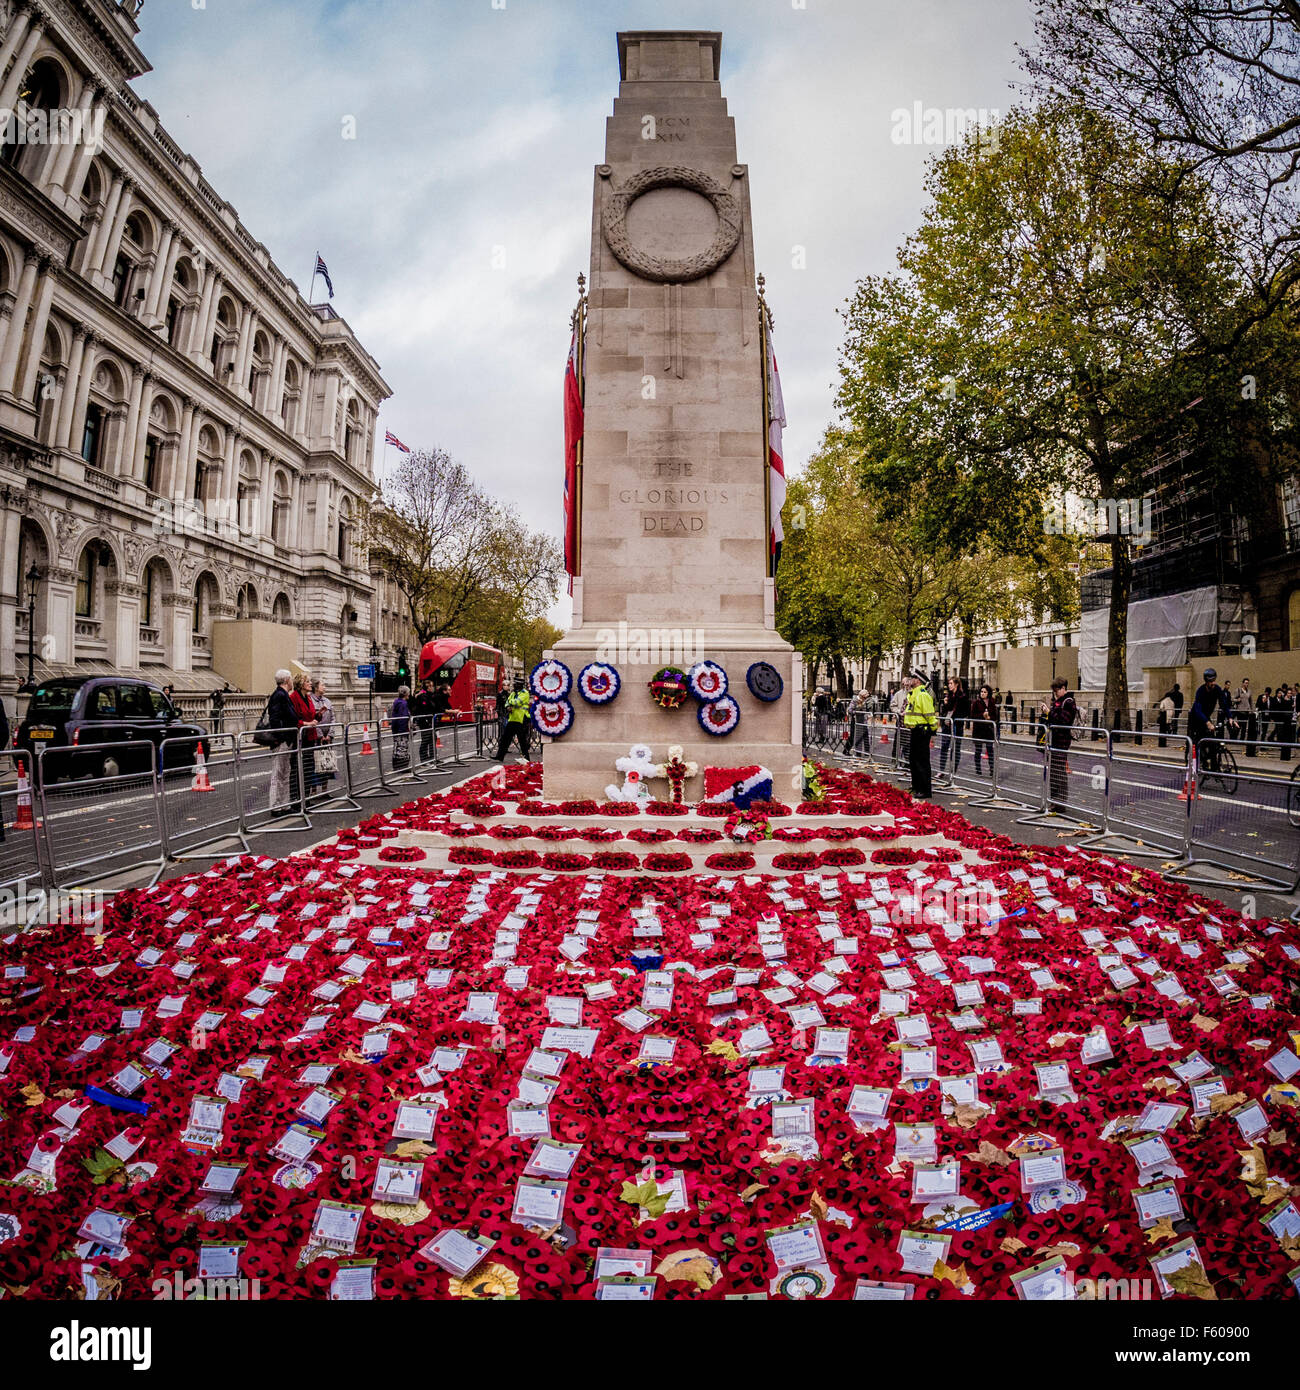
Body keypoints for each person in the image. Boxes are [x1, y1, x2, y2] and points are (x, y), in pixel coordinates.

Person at [1042, 677, 1078, 811]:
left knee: (1059, 772)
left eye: (1057, 690)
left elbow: (1063, 721)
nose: (1055, 693)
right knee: (1054, 771)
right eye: (1054, 691)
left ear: (1063, 688)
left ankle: (1060, 803)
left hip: (1061, 741)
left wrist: (1049, 713)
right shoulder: (1058, 702)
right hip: (1054, 740)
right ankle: (1054, 801)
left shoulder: (1069, 702)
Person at [265, 670, 298, 812]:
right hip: (282, 741)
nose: (292, 682)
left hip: (286, 739)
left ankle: (284, 804)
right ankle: (275, 806)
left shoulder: (283, 695)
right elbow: (274, 719)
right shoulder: (279, 695)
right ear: (286, 680)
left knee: (285, 772)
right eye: (290, 679)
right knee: (278, 774)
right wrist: (281, 737)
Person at [903, 669, 938, 799]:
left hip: (922, 730)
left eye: (912, 678)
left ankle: (924, 790)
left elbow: (929, 714)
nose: (909, 680)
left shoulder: (922, 695)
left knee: (921, 761)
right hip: (915, 730)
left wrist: (932, 729)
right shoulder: (913, 694)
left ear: (917, 680)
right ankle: (917, 786)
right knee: (913, 760)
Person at [1187, 667, 1230, 774]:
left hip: (1206, 717)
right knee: (1196, 742)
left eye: (1214, 680)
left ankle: (1214, 768)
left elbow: (1223, 704)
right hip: (1196, 719)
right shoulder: (1200, 691)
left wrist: (1230, 717)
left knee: (1213, 742)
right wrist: (1207, 723)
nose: (1213, 683)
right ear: (1206, 682)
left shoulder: (1217, 689)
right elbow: (1197, 709)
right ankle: (1196, 766)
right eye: (1211, 681)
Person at [289, 673, 319, 796]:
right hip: (299, 738)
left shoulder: (308, 697)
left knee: (308, 768)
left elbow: (311, 715)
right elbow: (292, 719)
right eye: (307, 681)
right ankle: (296, 798)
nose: (310, 683)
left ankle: (305, 798)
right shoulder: (293, 698)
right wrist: (306, 723)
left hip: (310, 737)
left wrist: (318, 716)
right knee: (297, 768)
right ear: (301, 684)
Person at [938, 675, 970, 775]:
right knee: (944, 746)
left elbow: (966, 711)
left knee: (955, 748)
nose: (949, 685)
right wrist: (945, 703)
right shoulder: (949, 696)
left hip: (957, 725)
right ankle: (941, 770)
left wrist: (957, 717)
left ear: (956, 684)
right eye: (949, 683)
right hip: (947, 725)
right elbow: (946, 710)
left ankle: (953, 771)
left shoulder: (962, 697)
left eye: (951, 683)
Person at [496, 676, 532, 763]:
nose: (514, 685)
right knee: (505, 738)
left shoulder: (525, 693)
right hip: (512, 719)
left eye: (516, 684)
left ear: (520, 685)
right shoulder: (513, 693)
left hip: (521, 719)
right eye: (514, 684)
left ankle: (526, 758)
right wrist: (508, 706)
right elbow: (507, 702)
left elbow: (517, 702)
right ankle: (499, 756)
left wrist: (510, 703)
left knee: (522, 740)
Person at [969, 682, 999, 777]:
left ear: (988, 693)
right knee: (978, 750)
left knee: (990, 750)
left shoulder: (992, 702)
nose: (982, 693)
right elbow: (972, 715)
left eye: (984, 692)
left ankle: (992, 770)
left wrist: (990, 718)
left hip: (989, 730)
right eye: (981, 692)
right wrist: (982, 716)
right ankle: (978, 769)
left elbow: (995, 715)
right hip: (979, 730)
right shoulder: (976, 703)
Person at [311, 679, 335, 785]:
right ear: (316, 688)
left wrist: (330, 734)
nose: (325, 687)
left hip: (328, 738)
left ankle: (325, 790)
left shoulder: (327, 701)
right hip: (317, 738)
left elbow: (333, 718)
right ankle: (314, 791)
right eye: (322, 685)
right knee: (315, 764)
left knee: (327, 762)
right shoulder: (310, 700)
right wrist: (320, 735)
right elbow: (313, 719)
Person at [411, 680, 436, 763]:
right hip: (425, 721)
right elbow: (424, 709)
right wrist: (426, 719)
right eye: (431, 686)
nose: (433, 687)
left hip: (429, 721)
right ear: (428, 687)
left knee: (432, 738)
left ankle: (432, 757)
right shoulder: (423, 697)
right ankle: (424, 758)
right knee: (426, 739)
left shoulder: (429, 695)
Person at [390, 686, 412, 769]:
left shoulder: (397, 702)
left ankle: (397, 765)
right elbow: (403, 717)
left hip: (396, 728)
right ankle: (401, 766)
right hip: (401, 729)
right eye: (408, 692)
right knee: (402, 746)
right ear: (406, 693)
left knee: (397, 745)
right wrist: (404, 730)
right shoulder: (403, 703)